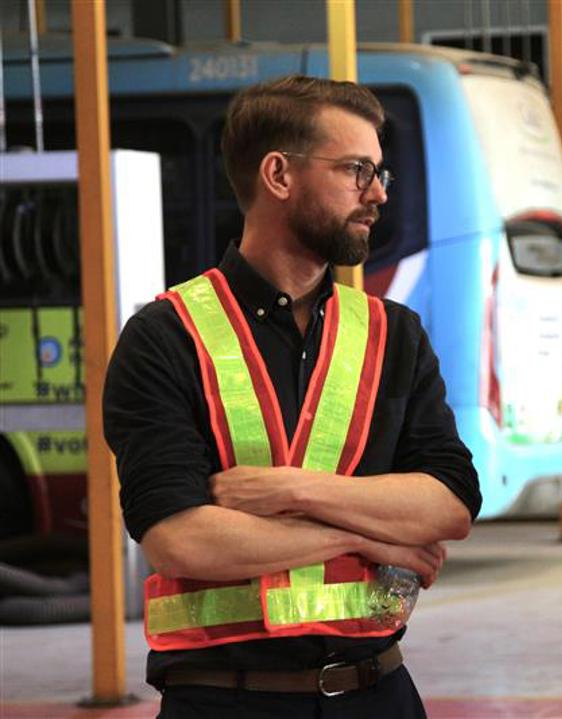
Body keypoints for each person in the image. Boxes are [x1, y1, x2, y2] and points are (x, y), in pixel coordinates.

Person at [104, 75, 482, 718]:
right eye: (357, 170)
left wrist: (291, 492)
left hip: (379, 694)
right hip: (224, 702)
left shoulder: (395, 335)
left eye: (379, 172)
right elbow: (180, 540)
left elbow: (449, 507)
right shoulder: (165, 337)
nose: (378, 194)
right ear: (279, 174)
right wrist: (376, 541)